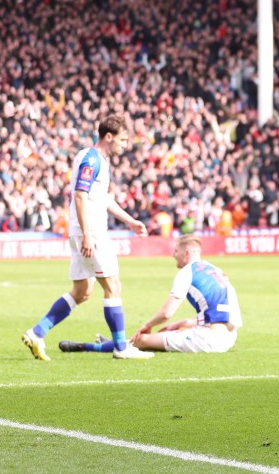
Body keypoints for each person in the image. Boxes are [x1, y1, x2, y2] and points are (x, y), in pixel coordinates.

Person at [21, 115, 154, 360]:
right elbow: (80, 196)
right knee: (113, 286)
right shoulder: (92, 159)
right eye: (123, 140)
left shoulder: (98, 160)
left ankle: (37, 333)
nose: (125, 145)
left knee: (83, 291)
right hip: (90, 232)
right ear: (109, 137)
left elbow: (102, 198)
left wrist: (130, 221)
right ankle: (121, 348)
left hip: (84, 231)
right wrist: (85, 236)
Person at [58, 235, 241, 354]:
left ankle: (90, 347)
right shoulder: (216, 270)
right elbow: (227, 314)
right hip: (229, 337)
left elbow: (166, 313)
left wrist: (146, 325)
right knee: (179, 326)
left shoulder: (187, 272)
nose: (173, 255)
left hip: (208, 340)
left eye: (175, 251)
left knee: (143, 340)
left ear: (186, 253)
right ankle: (118, 342)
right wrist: (181, 324)